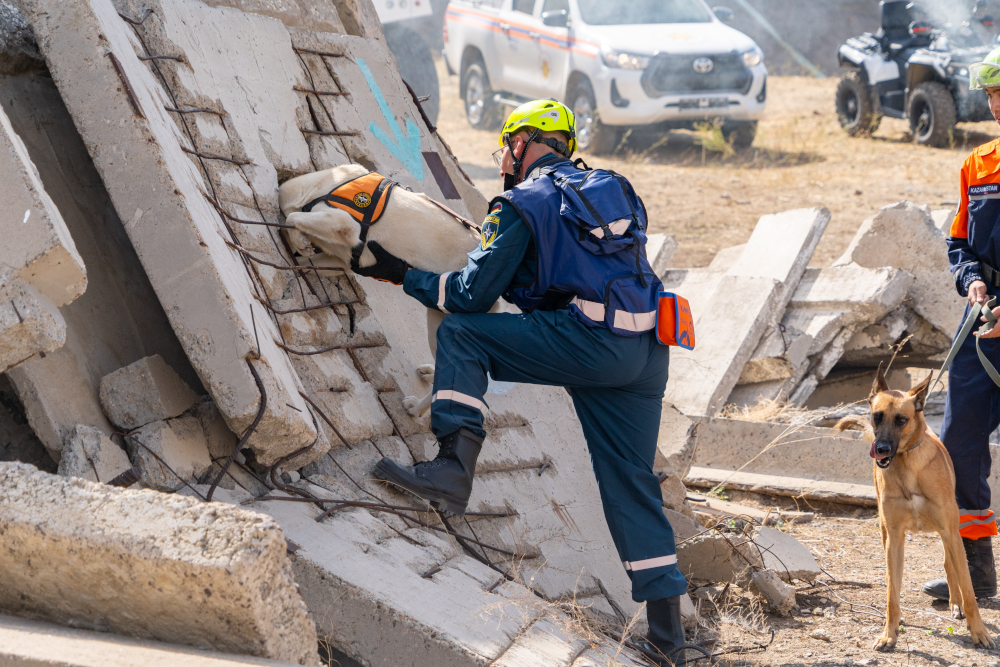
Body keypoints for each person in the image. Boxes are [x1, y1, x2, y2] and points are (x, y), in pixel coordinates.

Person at [355, 99, 691, 664]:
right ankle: (668, 642)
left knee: (464, 335)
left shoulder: (520, 202)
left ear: (520, 144)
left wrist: (401, 274)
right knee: (631, 484)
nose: (503, 159)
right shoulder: (615, 187)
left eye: (506, 147)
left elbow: (468, 296)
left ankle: (453, 468)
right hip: (647, 352)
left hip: (589, 343)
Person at [922, 47, 1000, 602]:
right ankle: (975, 574)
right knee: (959, 440)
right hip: (983, 317)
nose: (996, 106)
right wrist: (971, 280)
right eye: (993, 95)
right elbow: (958, 240)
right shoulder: (978, 164)